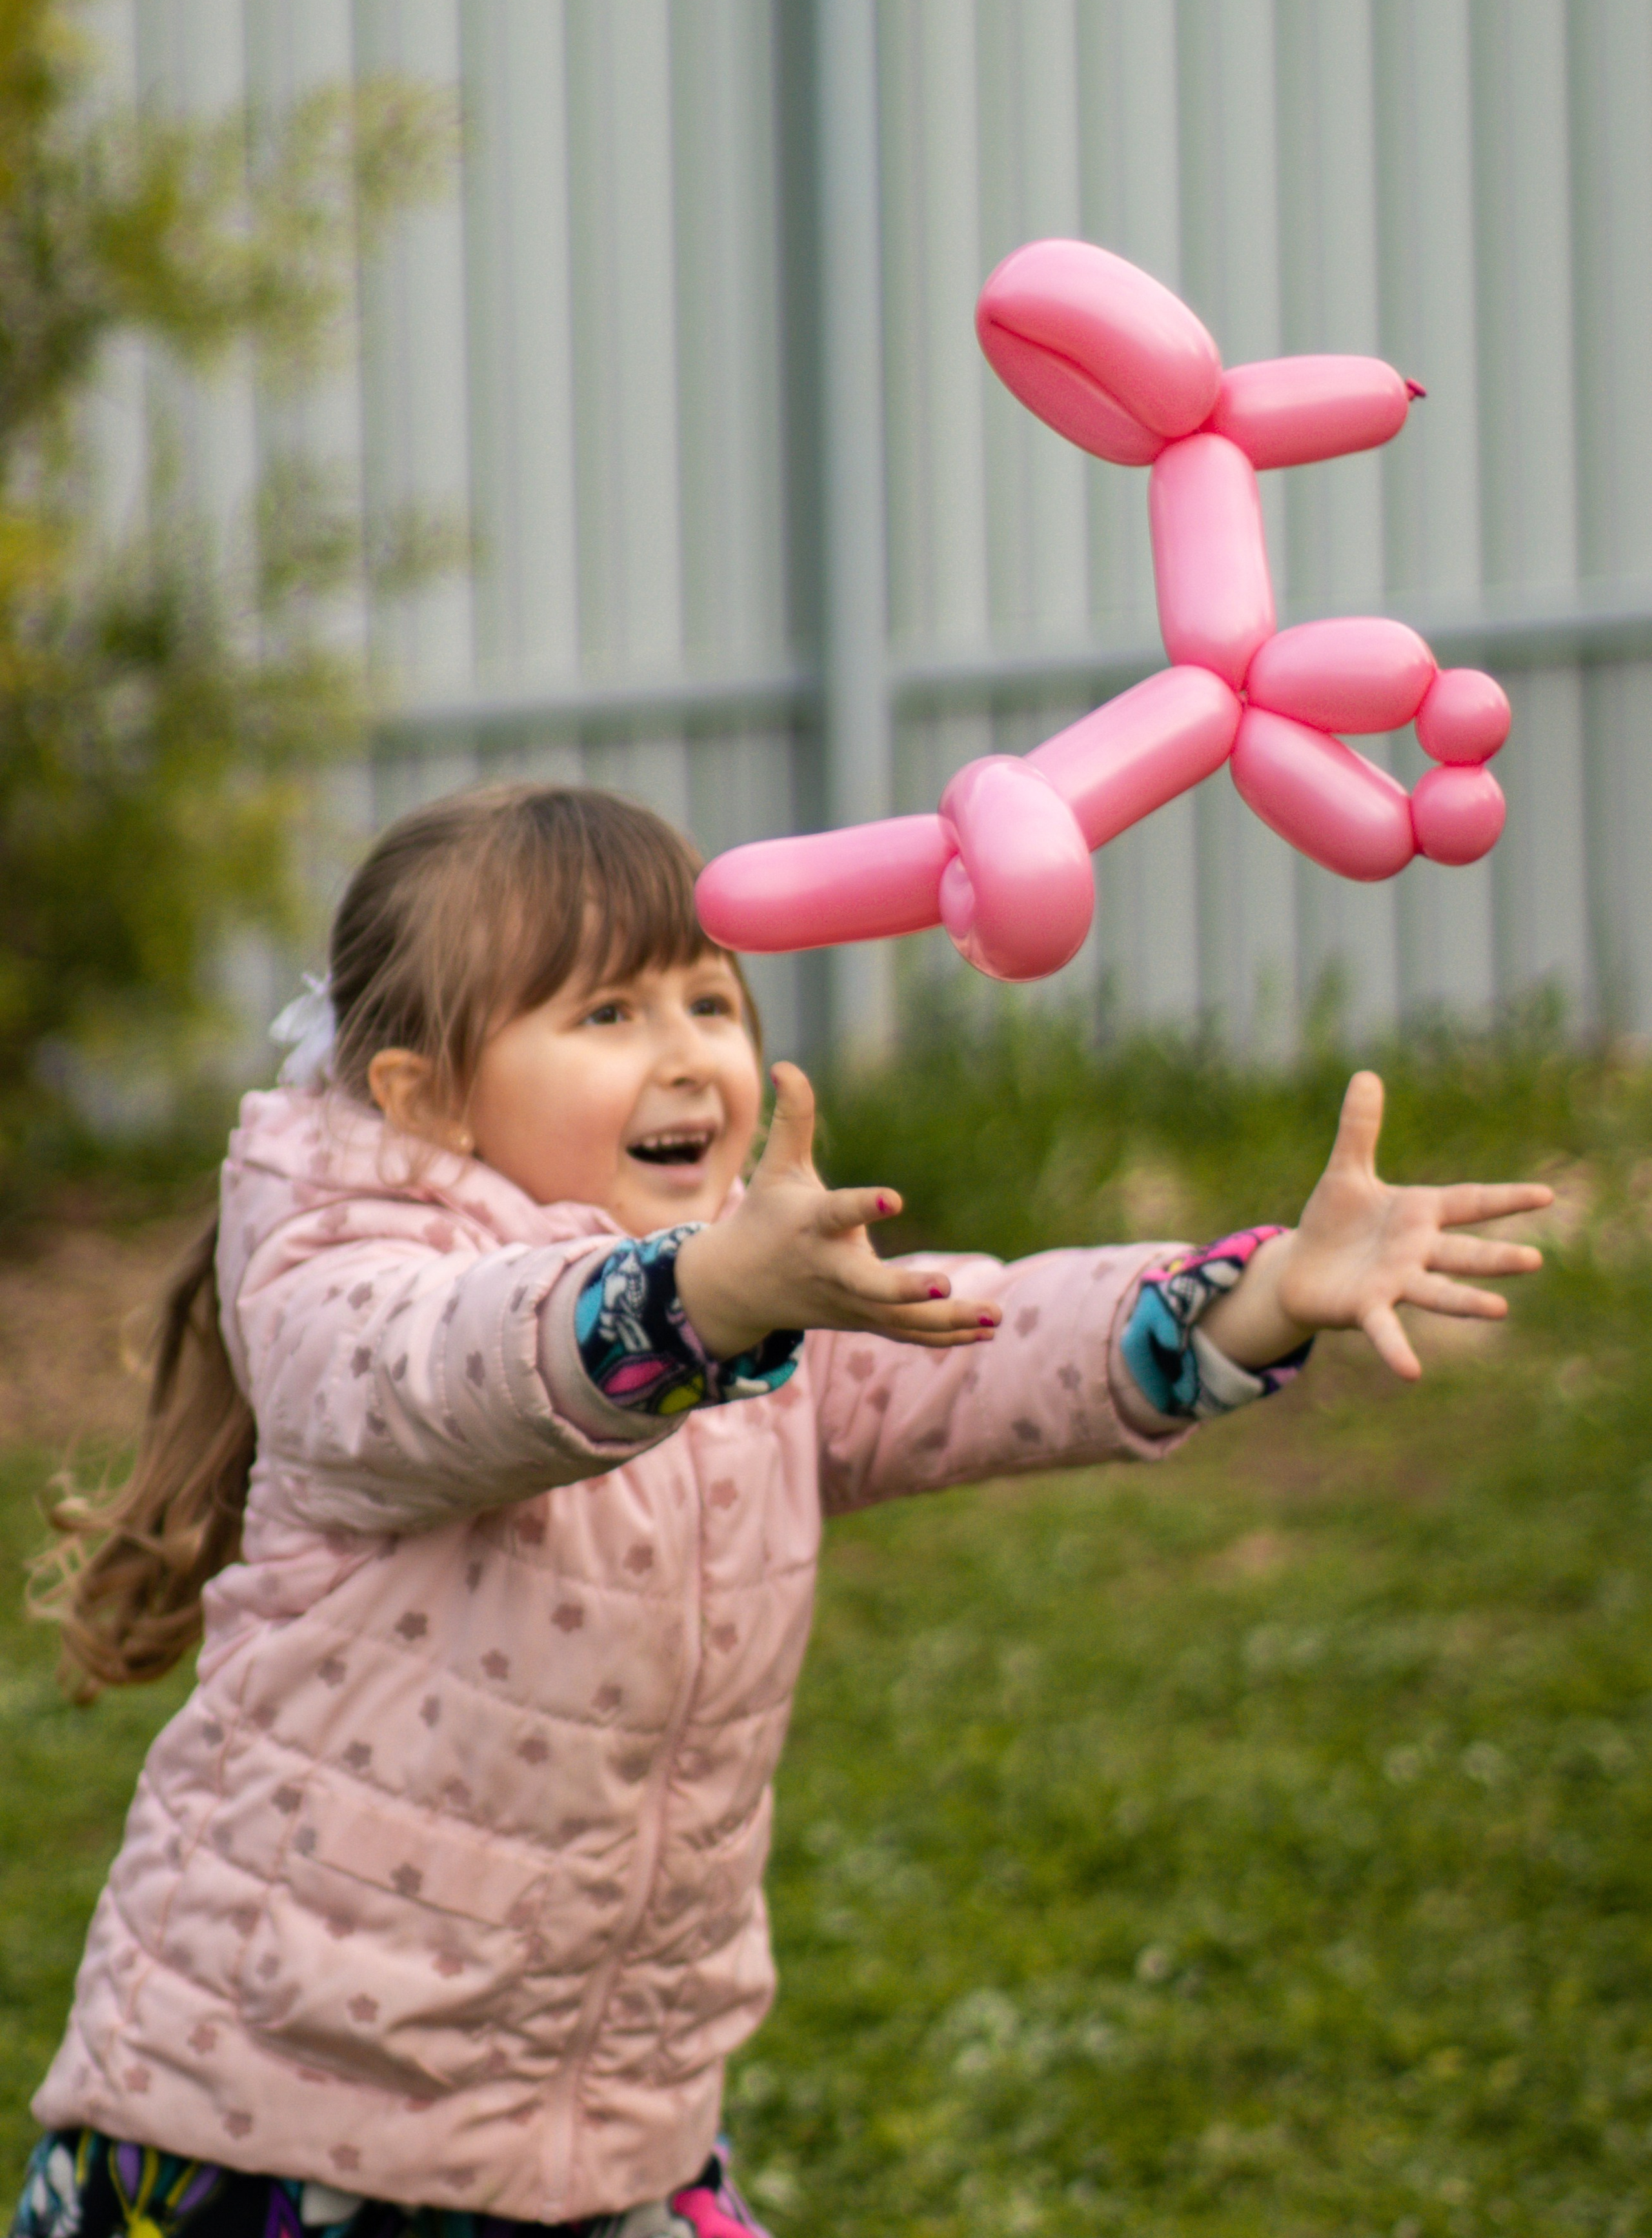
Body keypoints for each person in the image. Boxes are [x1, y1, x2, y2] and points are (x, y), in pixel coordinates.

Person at [12, 782, 1550, 2238]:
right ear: (427, 1096)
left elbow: (984, 1341)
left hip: (608, 2124)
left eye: (706, 999)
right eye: (606, 1012)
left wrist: (1259, 1296)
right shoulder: (346, 1286)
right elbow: (452, 1367)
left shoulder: (760, 1303)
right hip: (267, 2118)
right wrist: (696, 1299)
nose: (685, 1053)